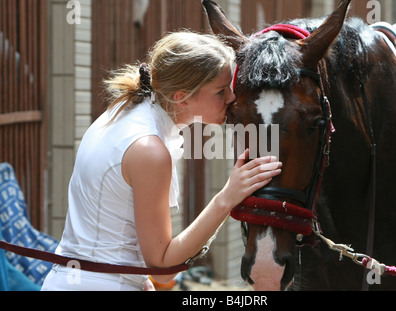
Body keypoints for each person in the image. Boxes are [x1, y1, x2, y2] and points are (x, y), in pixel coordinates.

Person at [41, 31, 282, 291]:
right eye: (221, 91)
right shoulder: (149, 150)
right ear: (182, 97)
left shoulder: (121, 112)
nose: (231, 98)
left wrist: (139, 278)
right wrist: (227, 197)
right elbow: (163, 269)